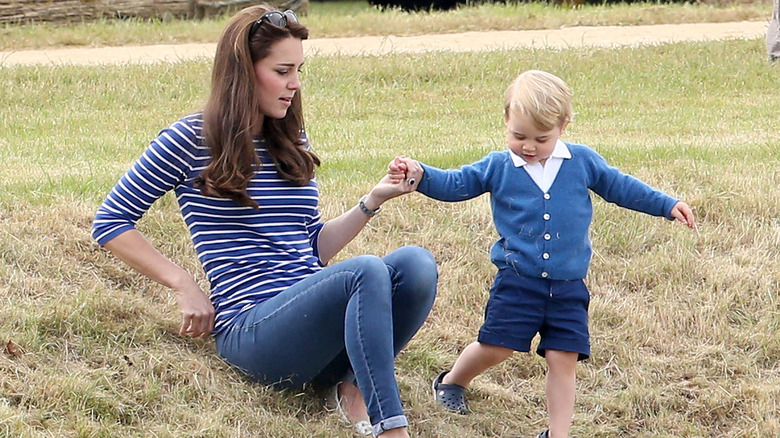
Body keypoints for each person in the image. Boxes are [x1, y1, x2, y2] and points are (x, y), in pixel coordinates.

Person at [91, 5, 437, 437]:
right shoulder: (188, 139)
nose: (295, 84)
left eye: (299, 70)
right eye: (283, 70)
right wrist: (183, 283)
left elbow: (312, 247)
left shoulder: (289, 137)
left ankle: (350, 386)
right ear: (243, 72)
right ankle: (392, 428)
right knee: (366, 270)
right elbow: (110, 221)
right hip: (251, 330)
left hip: (307, 321)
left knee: (416, 263)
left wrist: (371, 201)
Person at [391, 70, 695, 438]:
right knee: (496, 347)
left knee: (562, 358)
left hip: (568, 286)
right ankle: (453, 381)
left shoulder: (582, 162)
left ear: (564, 126)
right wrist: (420, 175)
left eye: (541, 138)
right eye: (518, 136)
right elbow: (457, 184)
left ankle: (557, 433)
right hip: (518, 280)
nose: (529, 146)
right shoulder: (497, 166)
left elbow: (621, 187)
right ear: (506, 121)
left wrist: (666, 204)